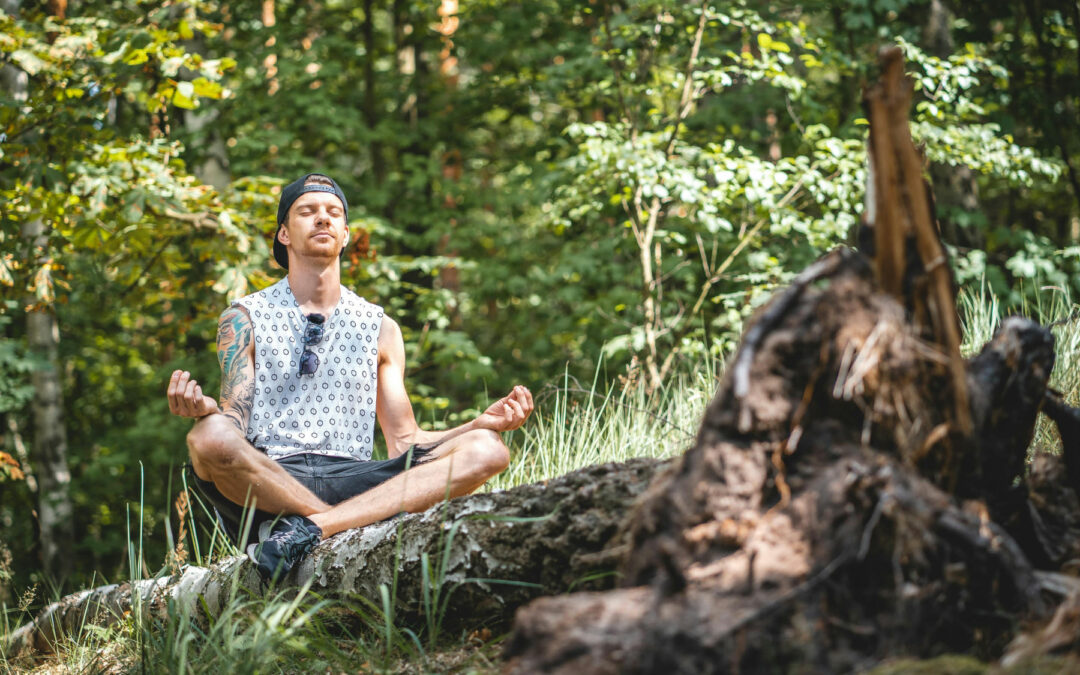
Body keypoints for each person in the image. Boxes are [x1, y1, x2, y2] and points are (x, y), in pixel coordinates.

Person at [166, 173, 534, 581]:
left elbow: (404, 440)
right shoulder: (244, 317)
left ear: (344, 235)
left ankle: (307, 531)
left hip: (354, 476)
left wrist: (478, 424)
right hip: (271, 477)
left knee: (488, 449)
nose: (322, 219)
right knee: (207, 437)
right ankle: (332, 523)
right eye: (307, 212)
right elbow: (235, 419)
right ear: (284, 234)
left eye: (333, 213)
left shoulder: (381, 327)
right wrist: (209, 411)